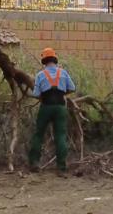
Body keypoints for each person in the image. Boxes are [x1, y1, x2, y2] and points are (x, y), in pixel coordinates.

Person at [28, 47, 76, 175]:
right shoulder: (63, 73)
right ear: (55, 59)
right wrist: (62, 93)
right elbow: (72, 88)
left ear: (44, 61)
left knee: (39, 134)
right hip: (60, 107)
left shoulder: (40, 75)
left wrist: (43, 96)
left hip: (46, 107)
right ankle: (61, 167)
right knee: (60, 135)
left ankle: (34, 163)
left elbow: (36, 94)